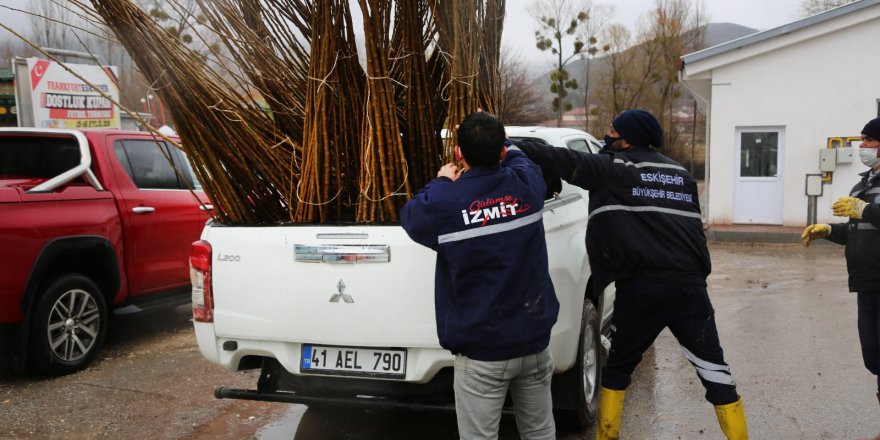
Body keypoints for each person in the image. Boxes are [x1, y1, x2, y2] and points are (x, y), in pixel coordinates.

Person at [512, 109, 748, 440]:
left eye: (612, 130)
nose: (607, 135)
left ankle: (607, 435)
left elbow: (558, 158)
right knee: (715, 371)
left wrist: (503, 143)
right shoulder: (681, 174)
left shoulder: (613, 168)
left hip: (642, 287)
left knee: (618, 369)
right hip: (690, 288)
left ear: (627, 139)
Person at [400, 111, 559, 440]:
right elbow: (521, 159)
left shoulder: (447, 202)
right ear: (501, 151)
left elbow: (412, 215)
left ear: (458, 153)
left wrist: (443, 180)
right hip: (534, 343)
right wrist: (505, 143)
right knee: (540, 432)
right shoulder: (527, 186)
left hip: (482, 352)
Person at [802, 116, 880, 412]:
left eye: (869, 140)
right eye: (863, 140)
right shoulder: (864, 184)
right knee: (874, 358)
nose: (863, 146)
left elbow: (868, 215)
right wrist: (829, 231)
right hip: (867, 283)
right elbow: (858, 230)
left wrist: (866, 210)